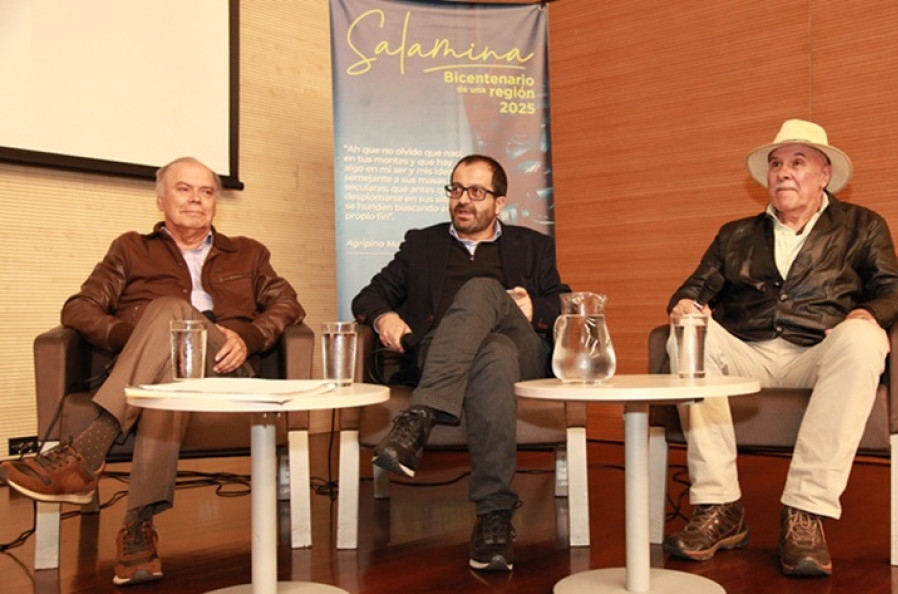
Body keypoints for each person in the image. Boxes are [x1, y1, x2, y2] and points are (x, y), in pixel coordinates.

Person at [0, 157, 305, 586]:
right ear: (161, 200)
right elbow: (78, 308)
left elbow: (288, 304)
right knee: (166, 353)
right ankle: (139, 526)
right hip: (160, 376)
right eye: (184, 189)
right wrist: (141, 339)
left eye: (206, 192)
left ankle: (86, 455)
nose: (196, 200)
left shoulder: (250, 253)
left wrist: (251, 338)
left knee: (171, 314)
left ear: (216, 202)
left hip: (223, 367)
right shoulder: (130, 249)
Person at [663, 119, 898, 577]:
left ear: (824, 174)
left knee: (864, 338)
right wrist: (686, 305)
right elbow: (693, 287)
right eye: (776, 164)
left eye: (797, 163)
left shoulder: (861, 225)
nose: (782, 172)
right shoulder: (734, 234)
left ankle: (805, 512)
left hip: (817, 355)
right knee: (689, 333)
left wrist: (868, 314)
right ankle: (720, 508)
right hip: (748, 354)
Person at [352, 154, 570, 572]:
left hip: (522, 348)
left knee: (486, 291)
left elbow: (562, 302)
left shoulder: (533, 245)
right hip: (443, 353)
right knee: (494, 355)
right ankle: (494, 517)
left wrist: (531, 307)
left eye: (475, 191)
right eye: (455, 189)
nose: (462, 200)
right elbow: (368, 296)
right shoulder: (422, 243)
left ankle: (418, 417)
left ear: (500, 202)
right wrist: (385, 317)